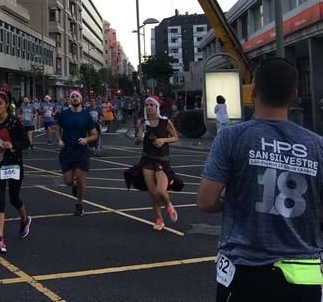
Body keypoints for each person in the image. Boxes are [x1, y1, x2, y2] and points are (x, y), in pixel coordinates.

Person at [198, 58, 323, 302]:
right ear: (294, 95)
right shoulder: (318, 146)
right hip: (304, 272)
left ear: (253, 90)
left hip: (245, 269)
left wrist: (233, 202)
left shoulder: (232, 138)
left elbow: (205, 201)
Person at [0, 92, 31, 254]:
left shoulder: (14, 122)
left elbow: (26, 142)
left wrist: (12, 144)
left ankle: (25, 219)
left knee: (13, 198)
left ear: (6, 105)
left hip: (14, 164)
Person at [131, 96, 180, 230]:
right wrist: (139, 136)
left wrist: (164, 140)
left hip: (162, 160)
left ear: (157, 106)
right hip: (147, 159)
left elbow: (175, 137)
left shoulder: (165, 122)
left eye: (151, 105)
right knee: (153, 193)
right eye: (146, 105)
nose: (148, 107)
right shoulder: (142, 122)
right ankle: (159, 219)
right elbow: (136, 142)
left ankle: (168, 205)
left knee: (160, 190)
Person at [56, 91, 99, 216]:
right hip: (67, 150)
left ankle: (79, 204)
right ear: (69, 100)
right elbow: (57, 128)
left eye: (77, 96)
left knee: (81, 179)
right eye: (72, 97)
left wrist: (86, 140)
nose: (75, 98)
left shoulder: (86, 116)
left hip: (81, 151)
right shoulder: (64, 114)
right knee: (68, 181)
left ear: (81, 99)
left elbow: (95, 135)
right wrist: (59, 139)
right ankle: (74, 185)